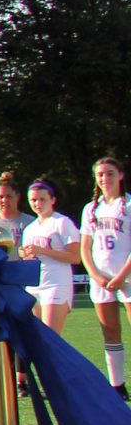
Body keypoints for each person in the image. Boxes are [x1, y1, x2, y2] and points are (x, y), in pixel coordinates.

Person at [81, 156, 131, 399]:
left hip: (128, 277)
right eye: (100, 175)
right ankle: (117, 386)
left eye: (110, 173)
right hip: (101, 279)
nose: (105, 179)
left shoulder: (129, 205)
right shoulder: (91, 209)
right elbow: (85, 247)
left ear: (120, 175)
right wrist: (94, 274)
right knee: (110, 332)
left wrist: (122, 275)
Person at [17, 178, 80, 336]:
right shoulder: (30, 228)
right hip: (35, 286)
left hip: (56, 284)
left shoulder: (62, 222)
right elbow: (31, 259)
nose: (37, 203)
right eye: (33, 200)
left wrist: (43, 250)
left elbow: (75, 257)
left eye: (42, 199)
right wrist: (25, 254)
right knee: (38, 339)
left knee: (50, 339)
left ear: (52, 199)